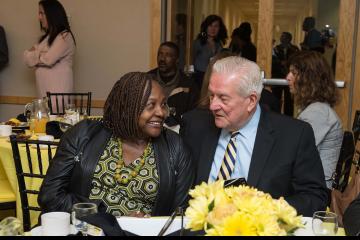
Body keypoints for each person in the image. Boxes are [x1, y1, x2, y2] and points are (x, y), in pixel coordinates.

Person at [180, 56, 328, 217]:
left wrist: (266, 209)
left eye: (223, 98)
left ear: (251, 101)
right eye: (211, 95)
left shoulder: (293, 135)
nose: (213, 106)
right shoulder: (195, 126)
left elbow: (315, 197)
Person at [38, 72, 195, 217]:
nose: (161, 113)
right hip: (86, 229)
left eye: (163, 104)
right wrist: (109, 219)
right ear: (127, 107)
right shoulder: (84, 134)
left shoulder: (176, 148)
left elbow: (179, 216)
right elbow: (50, 196)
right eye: (151, 105)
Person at [286, 51, 343, 189]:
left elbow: (292, 155)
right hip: (309, 184)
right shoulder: (317, 109)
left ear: (309, 78)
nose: (287, 78)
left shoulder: (318, 112)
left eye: (294, 73)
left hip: (315, 191)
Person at [23, 0, 76, 98]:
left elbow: (48, 59)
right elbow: (27, 59)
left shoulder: (65, 36)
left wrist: (36, 53)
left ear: (52, 14)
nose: (39, 17)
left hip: (59, 95)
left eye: (41, 13)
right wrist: (40, 54)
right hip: (43, 94)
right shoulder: (45, 39)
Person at [149, 42, 199, 126]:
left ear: (177, 60)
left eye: (168, 55)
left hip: (178, 134)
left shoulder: (189, 85)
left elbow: (193, 117)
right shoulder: (148, 80)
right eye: (160, 54)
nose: (162, 59)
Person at [192, 15, 228, 89]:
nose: (213, 29)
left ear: (219, 29)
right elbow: (191, 60)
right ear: (206, 27)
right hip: (199, 77)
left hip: (214, 77)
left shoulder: (219, 44)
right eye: (210, 26)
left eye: (216, 26)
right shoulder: (198, 43)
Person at [272, 32, 299, 116]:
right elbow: (272, 61)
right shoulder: (276, 48)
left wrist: (287, 63)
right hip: (278, 76)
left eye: (284, 37)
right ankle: (275, 116)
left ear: (289, 39)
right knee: (276, 99)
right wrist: (280, 63)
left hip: (290, 77)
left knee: (289, 100)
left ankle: (288, 117)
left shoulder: (295, 49)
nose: (282, 39)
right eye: (281, 37)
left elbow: (297, 61)